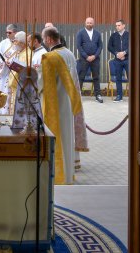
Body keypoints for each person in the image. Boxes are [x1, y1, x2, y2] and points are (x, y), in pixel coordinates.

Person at [39, 26, 84, 184]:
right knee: (66, 137)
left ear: (50, 39)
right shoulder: (69, 53)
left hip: (55, 105)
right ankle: (68, 175)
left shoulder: (49, 57)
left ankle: (58, 176)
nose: (44, 43)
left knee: (57, 137)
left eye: (44, 40)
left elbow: (40, 83)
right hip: (68, 103)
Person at [76, 17, 103, 103]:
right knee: (81, 77)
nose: (89, 24)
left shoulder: (97, 33)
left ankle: (98, 95)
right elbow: (79, 46)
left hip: (95, 59)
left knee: (96, 77)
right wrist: (86, 56)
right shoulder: (80, 33)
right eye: (88, 22)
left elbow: (100, 46)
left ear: (93, 23)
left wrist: (94, 56)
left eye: (91, 23)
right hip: (84, 59)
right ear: (85, 23)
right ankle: (77, 96)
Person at [0, 24, 18, 114]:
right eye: (6, 32)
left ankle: (12, 113)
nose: (7, 34)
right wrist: (3, 62)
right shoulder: (3, 43)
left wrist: (12, 63)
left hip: (15, 73)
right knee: (4, 91)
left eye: (9, 32)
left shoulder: (19, 43)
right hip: (5, 72)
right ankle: (3, 112)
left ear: (15, 32)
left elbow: (21, 56)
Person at [7, 31, 32, 113]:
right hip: (16, 88)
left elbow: (25, 72)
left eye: (15, 41)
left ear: (22, 43)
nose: (14, 43)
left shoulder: (27, 55)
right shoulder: (21, 52)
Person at [108, 19, 129, 102]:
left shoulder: (129, 35)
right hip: (117, 60)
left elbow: (133, 45)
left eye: (119, 25)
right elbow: (109, 47)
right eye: (116, 25)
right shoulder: (113, 36)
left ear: (124, 25)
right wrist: (117, 54)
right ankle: (119, 96)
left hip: (127, 59)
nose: (117, 27)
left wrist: (124, 53)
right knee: (118, 78)